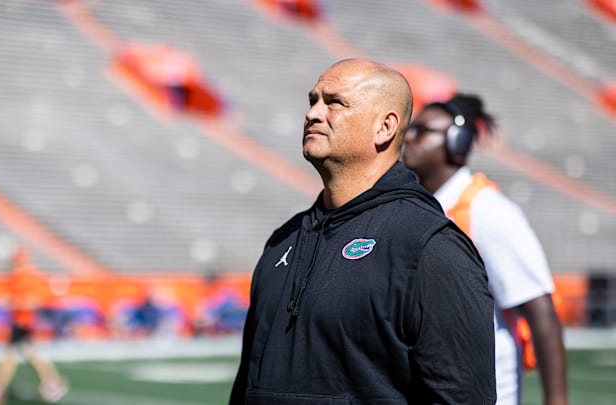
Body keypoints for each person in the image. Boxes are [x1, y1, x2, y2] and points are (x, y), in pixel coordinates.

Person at [230, 59, 496, 404]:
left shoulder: (430, 246)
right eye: (313, 101)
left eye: (335, 102)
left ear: (384, 127)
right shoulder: (284, 239)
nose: (313, 113)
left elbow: (462, 397)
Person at [401, 94, 568, 405]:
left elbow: (540, 310)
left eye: (421, 131)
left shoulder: (488, 212)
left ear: (457, 144)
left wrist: (556, 401)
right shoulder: (421, 205)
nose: (408, 138)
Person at [0, 247, 68, 405]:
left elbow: (35, 301)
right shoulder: (20, 276)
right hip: (20, 320)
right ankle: (52, 382)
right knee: (28, 354)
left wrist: (14, 303)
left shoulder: (26, 276)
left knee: (10, 355)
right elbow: (10, 296)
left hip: (23, 321)